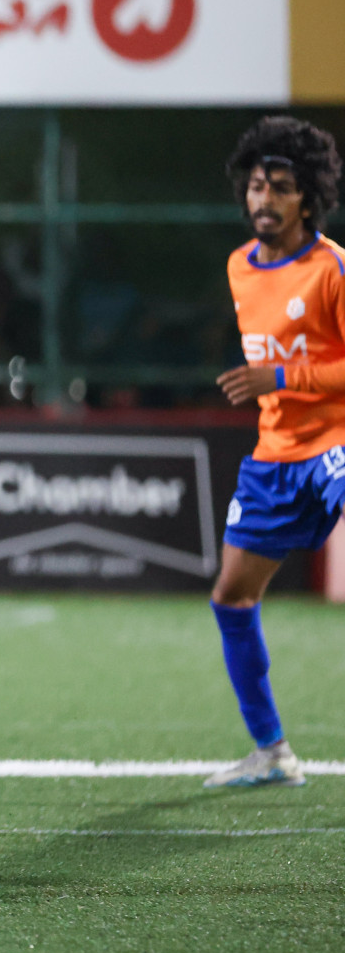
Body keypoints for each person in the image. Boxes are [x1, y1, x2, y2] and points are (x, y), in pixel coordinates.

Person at [208, 116, 345, 788]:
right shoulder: (239, 266)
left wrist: (284, 378)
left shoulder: (332, 269)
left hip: (336, 446)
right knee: (232, 597)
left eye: (281, 187)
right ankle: (271, 752)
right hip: (273, 458)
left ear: (308, 200)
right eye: (257, 185)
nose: (263, 197)